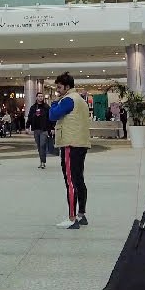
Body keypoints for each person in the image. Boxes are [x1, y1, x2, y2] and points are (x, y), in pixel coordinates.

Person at [49, 72, 91, 229]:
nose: (57, 90)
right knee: (79, 179)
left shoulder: (67, 100)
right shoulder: (80, 100)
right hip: (81, 143)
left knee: (70, 181)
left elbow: (53, 115)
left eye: (59, 87)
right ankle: (82, 215)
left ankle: (72, 218)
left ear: (67, 87)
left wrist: (54, 103)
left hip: (70, 145)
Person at [27, 98, 52, 169]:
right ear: (36, 97)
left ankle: (43, 162)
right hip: (36, 129)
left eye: (42, 96)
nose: (40, 97)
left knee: (42, 145)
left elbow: (50, 117)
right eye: (39, 96)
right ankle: (41, 161)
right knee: (39, 146)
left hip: (44, 129)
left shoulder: (46, 107)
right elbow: (29, 117)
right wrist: (27, 126)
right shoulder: (33, 107)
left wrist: (52, 127)